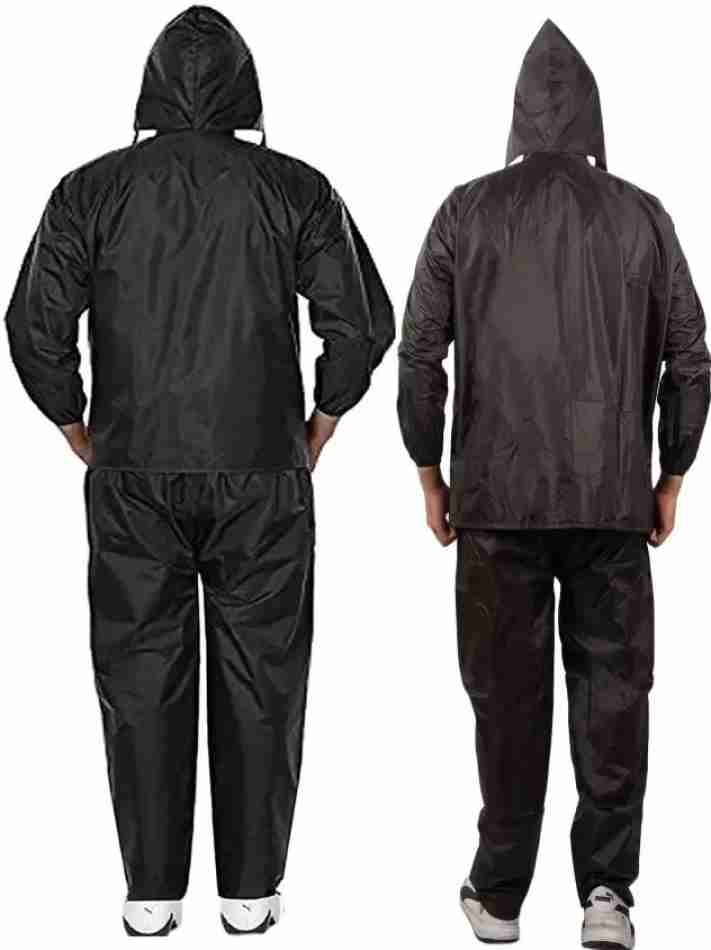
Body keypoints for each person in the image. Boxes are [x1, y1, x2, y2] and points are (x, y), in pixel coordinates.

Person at [6, 5, 393, 937]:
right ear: (245, 89)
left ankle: (150, 895)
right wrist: (322, 420)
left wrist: (73, 421)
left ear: (148, 89)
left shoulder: (90, 190)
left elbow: (33, 324)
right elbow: (358, 323)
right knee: (263, 677)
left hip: (133, 469)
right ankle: (249, 894)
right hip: (262, 466)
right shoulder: (294, 187)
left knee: (139, 671)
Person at [398, 19, 709, 950]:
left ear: (516, 116)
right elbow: (690, 356)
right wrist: (671, 472)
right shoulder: (641, 214)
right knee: (613, 697)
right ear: (593, 118)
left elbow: (419, 351)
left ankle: (498, 897)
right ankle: (606, 896)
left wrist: (428, 470)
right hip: (611, 502)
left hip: (494, 504)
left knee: (506, 699)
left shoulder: (466, 210)